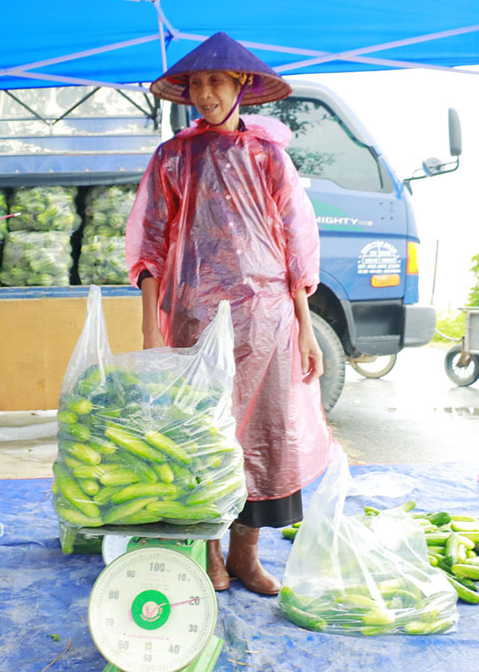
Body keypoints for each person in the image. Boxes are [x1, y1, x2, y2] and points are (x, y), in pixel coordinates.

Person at [126, 32, 335, 595]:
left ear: (241, 84)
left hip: (268, 321)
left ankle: (247, 555)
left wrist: (304, 326)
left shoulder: (268, 156)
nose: (205, 93)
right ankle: (211, 552)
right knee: (205, 437)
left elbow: (295, 243)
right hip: (195, 319)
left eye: (215, 81)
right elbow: (148, 243)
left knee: (265, 436)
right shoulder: (172, 156)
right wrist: (151, 324)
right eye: (195, 83)